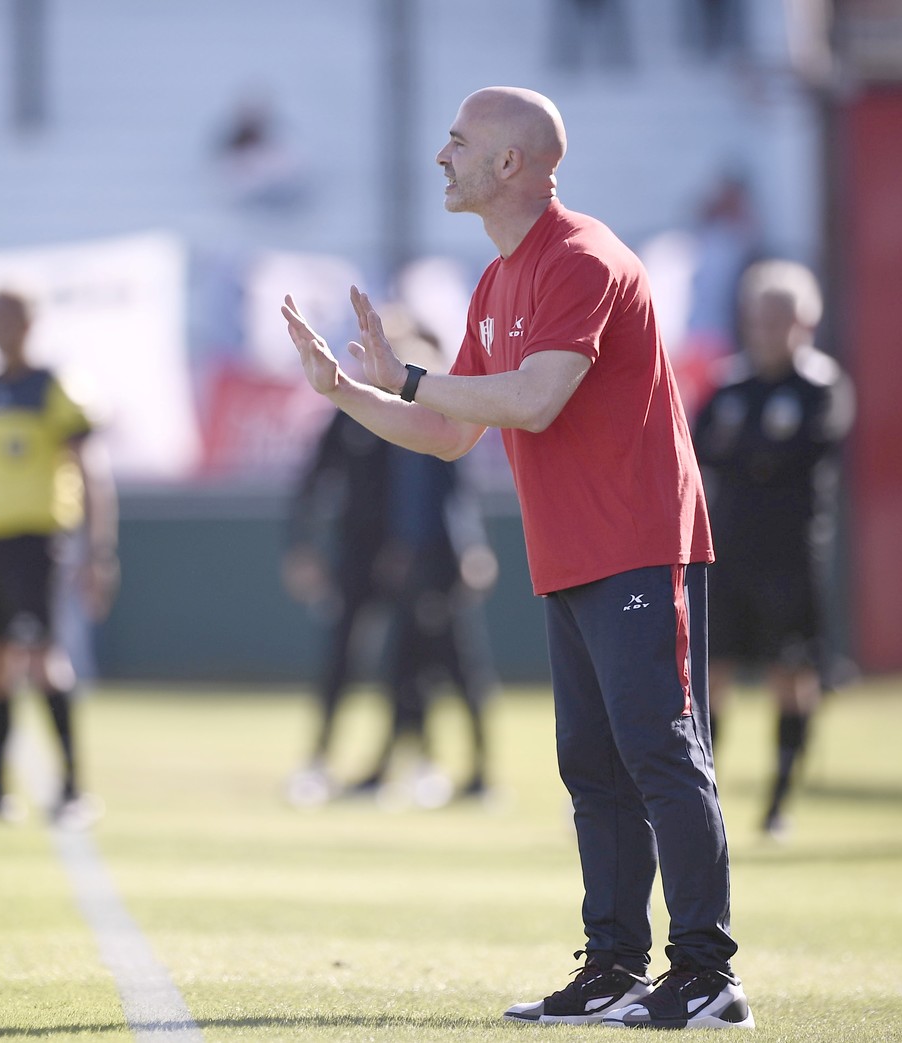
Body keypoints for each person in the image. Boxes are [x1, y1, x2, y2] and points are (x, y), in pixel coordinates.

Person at [281, 86, 751, 1030]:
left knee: (659, 748)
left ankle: (706, 972)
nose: (442, 155)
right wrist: (343, 393)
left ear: (510, 164)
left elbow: (533, 400)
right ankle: (615, 963)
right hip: (574, 551)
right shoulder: (497, 281)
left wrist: (406, 374)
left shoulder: (583, 258)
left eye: (458, 141)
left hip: (638, 540)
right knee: (591, 761)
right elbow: (449, 431)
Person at [0, 288, 119, 829]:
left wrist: (97, 550)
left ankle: (73, 788)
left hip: (39, 543)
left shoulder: (55, 387)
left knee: (41, 661)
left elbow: (92, 472)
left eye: (13, 317)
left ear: (31, 323)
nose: (3, 328)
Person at [692, 259, 854, 839]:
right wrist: (754, 460)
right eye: (758, 319)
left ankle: (778, 803)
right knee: (713, 675)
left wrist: (751, 460)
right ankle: (704, 797)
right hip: (729, 553)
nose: (767, 331)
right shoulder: (730, 385)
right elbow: (698, 447)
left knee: (792, 673)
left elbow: (803, 452)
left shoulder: (821, 385)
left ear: (805, 322)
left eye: (779, 320)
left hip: (791, 556)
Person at [348, 314, 501, 806]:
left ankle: (480, 775)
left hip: (442, 565)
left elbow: (456, 496)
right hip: (412, 563)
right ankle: (395, 767)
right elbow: (397, 503)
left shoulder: (442, 419)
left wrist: (471, 551)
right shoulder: (395, 428)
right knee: (404, 668)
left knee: (459, 670)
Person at [281, 406, 395, 806]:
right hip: (355, 557)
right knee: (340, 659)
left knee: (414, 663)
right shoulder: (351, 412)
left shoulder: (424, 405)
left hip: (410, 557)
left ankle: (398, 763)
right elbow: (311, 480)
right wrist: (301, 545)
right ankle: (319, 759)